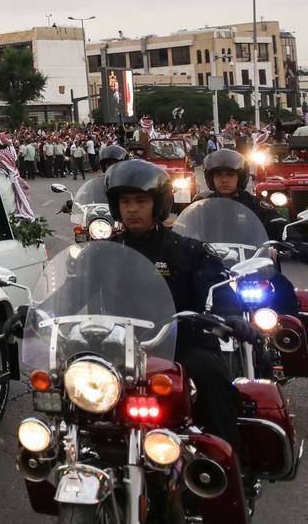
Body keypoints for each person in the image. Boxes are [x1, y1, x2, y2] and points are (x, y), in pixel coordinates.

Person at [104, 160, 255, 449]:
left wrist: (231, 315)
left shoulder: (186, 250)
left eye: (140, 201)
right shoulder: (103, 252)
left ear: (158, 204)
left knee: (209, 375)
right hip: (119, 347)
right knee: (71, 385)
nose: (132, 209)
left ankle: (225, 461)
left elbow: (215, 287)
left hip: (180, 346)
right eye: (125, 201)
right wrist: (38, 312)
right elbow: (73, 290)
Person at [193, 148, 285, 238]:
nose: (224, 180)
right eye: (219, 175)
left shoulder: (254, 205)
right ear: (211, 178)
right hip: (208, 253)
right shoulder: (202, 207)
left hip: (250, 253)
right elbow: (183, 232)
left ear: (240, 177)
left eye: (230, 175)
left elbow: (282, 228)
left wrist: (291, 243)